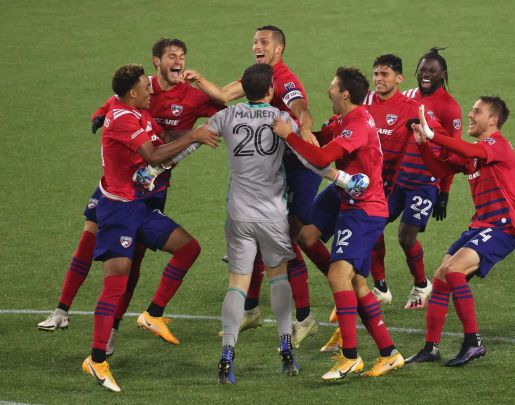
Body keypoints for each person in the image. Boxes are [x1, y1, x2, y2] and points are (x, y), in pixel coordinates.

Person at [38, 38, 225, 355]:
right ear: (157, 62)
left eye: (182, 56)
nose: (178, 61)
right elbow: (118, 107)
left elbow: (222, 109)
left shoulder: (188, 95)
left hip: (152, 191)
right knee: (92, 248)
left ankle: (117, 330)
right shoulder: (138, 92)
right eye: (171, 56)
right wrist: (101, 112)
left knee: (132, 266)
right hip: (118, 193)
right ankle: (64, 313)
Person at [183, 26, 325, 344]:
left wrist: (303, 130)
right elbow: (221, 95)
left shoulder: (284, 78)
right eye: (254, 41)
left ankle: (312, 311)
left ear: (279, 48)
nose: (256, 45)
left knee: (293, 236)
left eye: (263, 42)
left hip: (296, 168)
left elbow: (303, 109)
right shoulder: (259, 77)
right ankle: (251, 309)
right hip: (274, 169)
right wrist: (198, 78)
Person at [82, 64, 219, 392]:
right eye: (146, 87)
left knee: (189, 247)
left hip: (140, 207)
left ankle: (153, 313)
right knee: (115, 287)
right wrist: (194, 135)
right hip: (118, 212)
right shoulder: (123, 118)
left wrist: (205, 131)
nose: (151, 91)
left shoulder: (139, 113)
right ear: (132, 93)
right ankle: (97, 360)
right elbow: (154, 153)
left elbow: (165, 142)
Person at [272, 67, 404, 380]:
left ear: (345, 93)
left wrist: (288, 135)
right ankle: (389, 353)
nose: (328, 90)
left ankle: (350, 357)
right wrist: (289, 136)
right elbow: (318, 140)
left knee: (340, 274)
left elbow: (322, 158)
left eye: (333, 86)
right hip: (343, 194)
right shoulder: (345, 119)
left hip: (364, 208)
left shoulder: (357, 124)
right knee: (306, 235)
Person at [405, 96, 515, 367]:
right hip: (481, 225)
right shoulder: (478, 151)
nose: (470, 115)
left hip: (502, 228)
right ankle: (431, 348)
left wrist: (433, 135)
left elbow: (469, 153)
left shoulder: (497, 145)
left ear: (493, 120)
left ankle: (473, 343)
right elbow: (439, 169)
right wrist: (424, 146)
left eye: (477, 111)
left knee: (454, 271)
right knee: (441, 276)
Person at [362, 54, 448, 310]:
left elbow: (438, 137)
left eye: (384, 74)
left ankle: (421, 284)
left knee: (406, 238)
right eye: (376, 74)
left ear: (398, 79)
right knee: (372, 225)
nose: (379, 79)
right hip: (391, 182)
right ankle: (380, 286)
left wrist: (443, 187)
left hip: (420, 181)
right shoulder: (366, 101)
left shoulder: (412, 108)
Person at [403, 47, 463, 221]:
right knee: (375, 224)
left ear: (442, 74)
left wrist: (444, 192)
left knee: (406, 237)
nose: (425, 75)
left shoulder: (449, 107)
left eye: (432, 71)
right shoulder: (407, 96)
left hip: (425, 180)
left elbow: (453, 151)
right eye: (422, 70)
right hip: (399, 178)